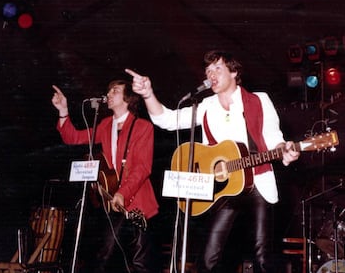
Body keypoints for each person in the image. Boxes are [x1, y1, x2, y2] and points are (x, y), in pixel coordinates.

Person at [125, 50, 300, 273]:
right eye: (208, 70)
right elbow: (167, 120)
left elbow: (275, 139)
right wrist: (148, 94)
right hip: (224, 187)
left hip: (258, 183)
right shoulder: (206, 105)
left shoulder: (259, 100)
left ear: (234, 72)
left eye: (217, 68)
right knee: (208, 259)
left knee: (262, 258)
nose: (211, 74)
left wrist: (284, 150)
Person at [51, 79, 159, 273]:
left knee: (139, 264)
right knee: (107, 256)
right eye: (108, 90)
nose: (108, 94)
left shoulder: (143, 127)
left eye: (115, 91)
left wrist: (123, 193)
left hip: (138, 205)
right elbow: (74, 137)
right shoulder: (105, 125)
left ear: (128, 98)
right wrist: (63, 111)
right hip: (113, 204)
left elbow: (142, 168)